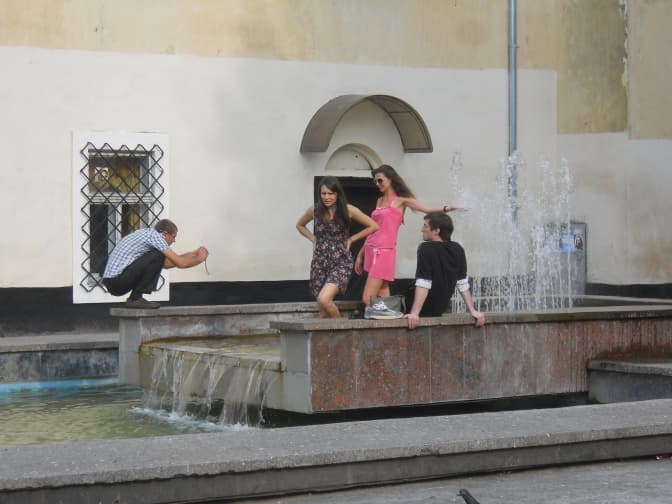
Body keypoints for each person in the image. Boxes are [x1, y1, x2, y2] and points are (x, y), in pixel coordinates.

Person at [354, 164, 464, 309]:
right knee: (382, 291)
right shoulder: (379, 201)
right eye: (375, 181)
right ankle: (390, 319)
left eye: (380, 180)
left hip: (383, 252)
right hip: (370, 249)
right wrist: (360, 254)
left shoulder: (401, 200)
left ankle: (386, 316)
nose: (377, 184)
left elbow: (425, 208)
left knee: (367, 298)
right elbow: (372, 229)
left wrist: (447, 208)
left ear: (390, 179)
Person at [296, 176, 378, 318]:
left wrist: (352, 239)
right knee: (323, 310)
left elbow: (373, 226)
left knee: (324, 299)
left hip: (341, 260)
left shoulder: (348, 209)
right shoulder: (314, 210)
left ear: (337, 194)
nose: (326, 197)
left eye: (330, 193)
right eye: (323, 193)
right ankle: (331, 332)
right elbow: (300, 225)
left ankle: (343, 328)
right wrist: (313, 240)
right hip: (320, 261)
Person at [102, 219, 209, 309]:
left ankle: (136, 298)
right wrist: (200, 259)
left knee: (158, 255)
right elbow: (181, 264)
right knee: (158, 254)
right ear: (165, 234)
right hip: (117, 281)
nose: (174, 241)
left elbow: (166, 264)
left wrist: (193, 254)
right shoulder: (156, 237)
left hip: (114, 281)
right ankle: (136, 298)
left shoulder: (149, 234)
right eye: (173, 236)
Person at [404, 212, 485, 330]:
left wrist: (414, 314)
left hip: (421, 308)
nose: (422, 229)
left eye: (425, 226)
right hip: (438, 309)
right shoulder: (458, 249)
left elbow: (424, 282)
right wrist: (473, 311)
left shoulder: (426, 248)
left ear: (436, 230)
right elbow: (462, 283)